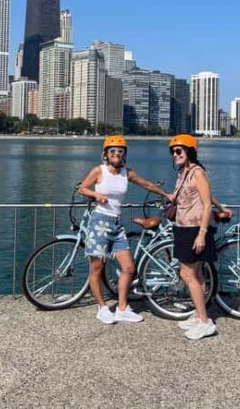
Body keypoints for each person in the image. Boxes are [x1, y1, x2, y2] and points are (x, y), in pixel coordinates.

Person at [78, 135, 173, 324]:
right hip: (99, 222)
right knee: (97, 268)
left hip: (116, 223)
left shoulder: (127, 173)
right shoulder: (99, 171)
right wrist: (96, 194)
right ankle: (102, 307)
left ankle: (122, 308)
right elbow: (82, 188)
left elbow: (146, 184)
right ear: (105, 154)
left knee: (129, 268)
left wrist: (165, 194)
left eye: (120, 151)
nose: (116, 154)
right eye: (112, 151)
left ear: (124, 155)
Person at [167, 134, 229, 340]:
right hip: (183, 227)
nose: (175, 155)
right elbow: (209, 196)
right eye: (173, 152)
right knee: (198, 275)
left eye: (179, 151)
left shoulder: (197, 172)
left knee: (187, 274)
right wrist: (222, 207)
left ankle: (205, 321)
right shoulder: (183, 173)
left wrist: (202, 234)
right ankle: (197, 314)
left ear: (190, 152)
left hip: (195, 229)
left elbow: (205, 203)